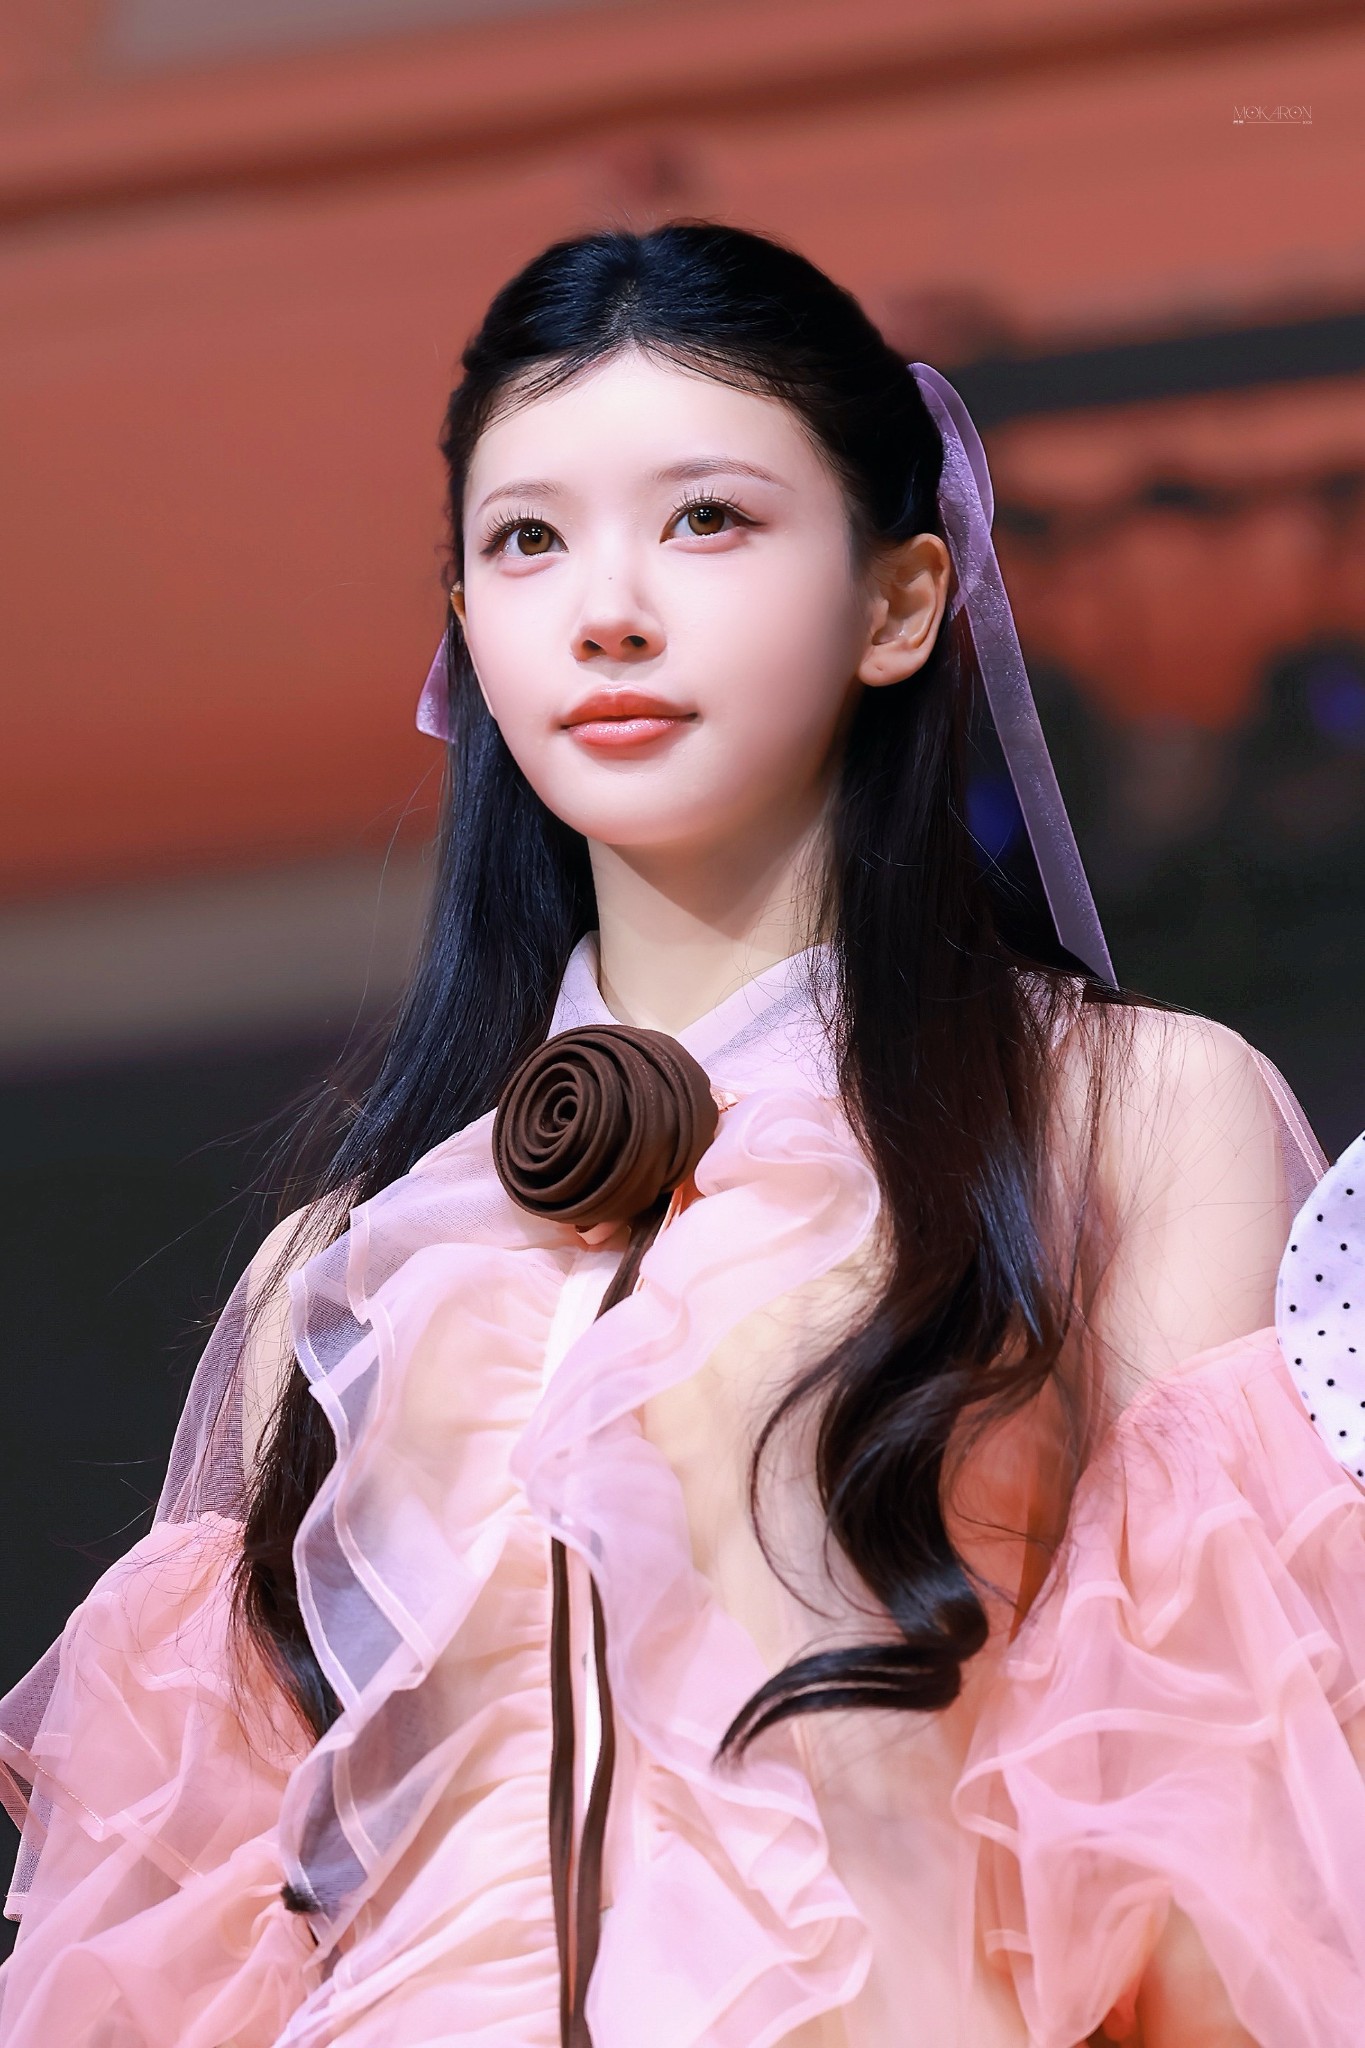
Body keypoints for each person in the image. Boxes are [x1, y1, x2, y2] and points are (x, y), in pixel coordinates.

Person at [1, 220, 1362, 2048]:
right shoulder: (343, 1271)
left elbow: (1237, 1907)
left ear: (899, 603)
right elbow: (191, 1965)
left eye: (707, 518)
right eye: (526, 540)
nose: (608, 608)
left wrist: (838, 1671)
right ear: (466, 628)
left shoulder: (1117, 1117)